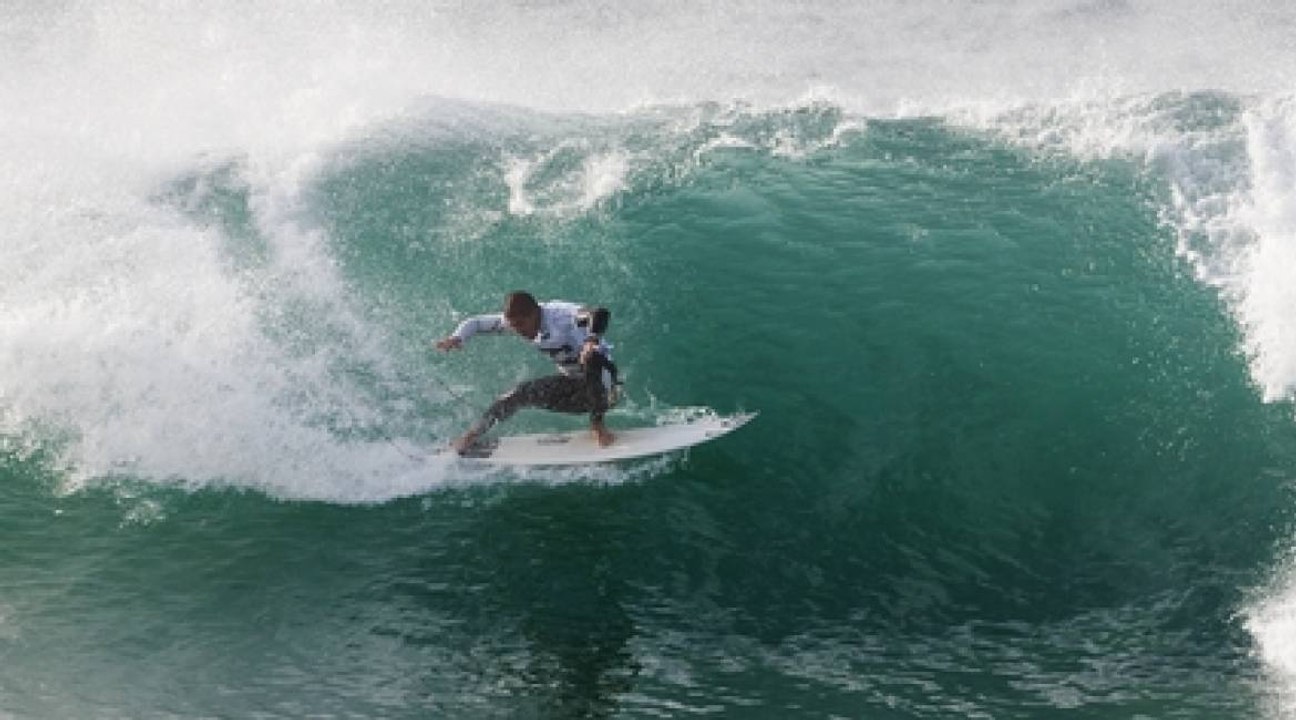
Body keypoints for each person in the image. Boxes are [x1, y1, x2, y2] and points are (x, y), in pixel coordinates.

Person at [435, 291, 619, 453]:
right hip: (573, 389)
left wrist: (591, 341)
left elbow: (599, 313)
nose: (518, 330)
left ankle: (598, 424)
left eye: (521, 324)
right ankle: (470, 436)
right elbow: (476, 323)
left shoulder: (560, 315)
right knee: (518, 394)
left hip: (603, 385)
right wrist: (457, 337)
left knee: (592, 357)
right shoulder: (516, 321)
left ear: (534, 313)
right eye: (513, 326)